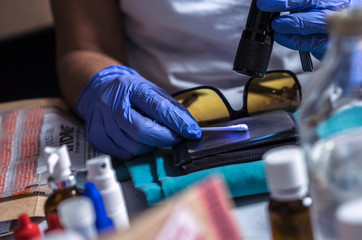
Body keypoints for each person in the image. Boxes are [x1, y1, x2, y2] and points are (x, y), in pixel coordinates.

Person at [50, 0, 354, 160]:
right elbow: (85, 48)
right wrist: (104, 83)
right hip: (169, 139)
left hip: (339, 123)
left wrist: (355, 21)